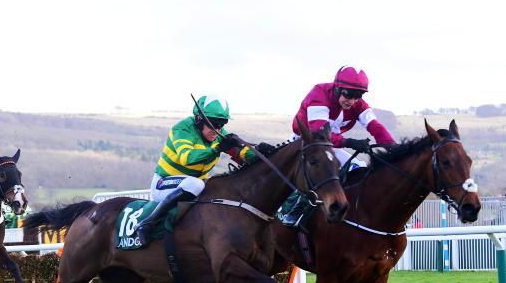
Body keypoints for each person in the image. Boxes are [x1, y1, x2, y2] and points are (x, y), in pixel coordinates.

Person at [281, 65, 396, 228]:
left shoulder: (359, 105)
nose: (352, 100)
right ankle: (293, 210)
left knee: (358, 167)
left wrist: (393, 148)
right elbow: (319, 133)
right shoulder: (319, 94)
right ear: (337, 88)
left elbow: (375, 127)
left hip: (329, 147)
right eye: (348, 94)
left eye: (358, 96)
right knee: (319, 170)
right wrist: (349, 142)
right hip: (305, 143)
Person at [134, 95, 258, 246]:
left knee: (218, 186)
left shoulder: (219, 133)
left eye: (221, 124)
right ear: (199, 119)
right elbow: (187, 158)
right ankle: (147, 223)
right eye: (213, 124)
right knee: (196, 184)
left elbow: (241, 152)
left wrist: (260, 151)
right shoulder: (182, 129)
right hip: (164, 185)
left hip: (192, 185)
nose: (217, 130)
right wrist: (217, 148)